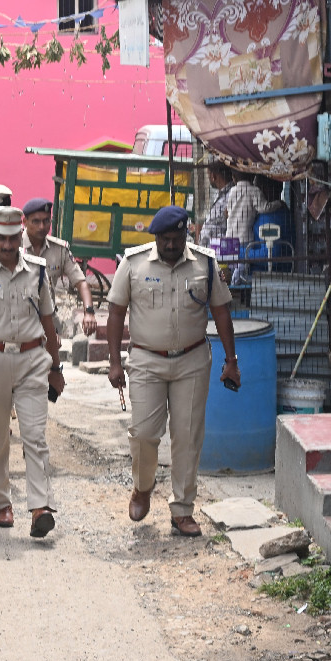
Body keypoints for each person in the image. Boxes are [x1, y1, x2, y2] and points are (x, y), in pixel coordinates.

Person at [105, 206, 237, 538]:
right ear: (156, 238)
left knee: (188, 436)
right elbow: (116, 312)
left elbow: (220, 311)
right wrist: (115, 362)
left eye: (177, 238)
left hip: (192, 360)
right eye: (165, 239)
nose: (171, 245)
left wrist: (231, 360)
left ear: (186, 235)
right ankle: (142, 487)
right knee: (145, 434)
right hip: (146, 360)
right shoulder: (133, 264)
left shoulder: (205, 263)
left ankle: (182, 510)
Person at [0, 207, 65, 539]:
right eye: (0, 238)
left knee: (34, 435)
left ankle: (39, 507)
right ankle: (2, 502)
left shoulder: (37, 271)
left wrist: (56, 366)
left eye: (12, 238)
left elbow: (49, 322)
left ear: (21, 236)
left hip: (33, 359)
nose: (6, 245)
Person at [22, 198, 98, 336]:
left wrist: (89, 311)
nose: (42, 226)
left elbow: (81, 282)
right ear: (24, 222)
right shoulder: (13, 247)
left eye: (46, 221)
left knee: (52, 355)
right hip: (19, 320)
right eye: (36, 221)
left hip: (48, 319)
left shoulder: (59, 249)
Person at [196, 160, 234, 247]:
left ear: (213, 176)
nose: (209, 178)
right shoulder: (220, 195)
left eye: (208, 175)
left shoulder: (231, 195)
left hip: (221, 251)